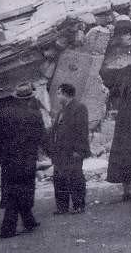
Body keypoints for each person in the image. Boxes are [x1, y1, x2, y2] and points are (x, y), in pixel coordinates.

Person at [0, 83, 45, 238]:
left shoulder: (3, 114)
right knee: (24, 190)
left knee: (12, 190)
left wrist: (2, 154)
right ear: (30, 98)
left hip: (9, 160)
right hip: (27, 159)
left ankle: (29, 220)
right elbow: (41, 136)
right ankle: (8, 229)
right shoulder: (35, 115)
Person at [49, 83, 90, 215]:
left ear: (66, 94)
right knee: (59, 178)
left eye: (59, 93)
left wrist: (79, 150)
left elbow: (82, 130)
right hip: (60, 151)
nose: (58, 96)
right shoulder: (62, 110)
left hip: (73, 151)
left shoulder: (79, 108)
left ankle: (78, 205)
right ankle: (62, 206)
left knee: (75, 177)